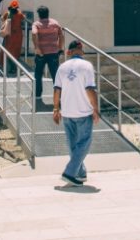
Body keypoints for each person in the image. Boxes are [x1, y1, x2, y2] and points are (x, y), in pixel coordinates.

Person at [53, 39, 99, 186]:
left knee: (73, 145)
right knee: (84, 143)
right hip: (83, 111)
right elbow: (90, 89)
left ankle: (80, 172)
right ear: (82, 52)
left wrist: (55, 109)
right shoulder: (87, 66)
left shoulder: (62, 67)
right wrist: (96, 109)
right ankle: (69, 172)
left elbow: (56, 90)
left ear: (68, 52)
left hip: (67, 111)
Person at [32, 5, 65, 107]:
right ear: (48, 13)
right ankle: (59, 97)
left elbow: (34, 33)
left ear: (39, 15)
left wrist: (37, 48)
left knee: (38, 74)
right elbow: (61, 35)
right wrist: (60, 47)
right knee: (55, 75)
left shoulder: (37, 24)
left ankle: (37, 95)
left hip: (41, 53)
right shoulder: (55, 23)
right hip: (53, 52)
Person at [0, 0, 25, 75]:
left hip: (9, 36)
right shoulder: (19, 14)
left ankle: (11, 67)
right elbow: (24, 19)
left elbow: (1, 19)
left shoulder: (7, 13)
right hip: (18, 36)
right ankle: (14, 68)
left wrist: (5, 25)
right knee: (16, 52)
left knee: (8, 51)